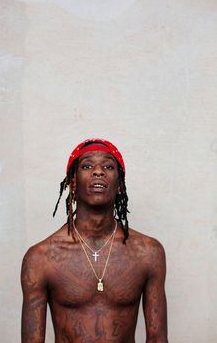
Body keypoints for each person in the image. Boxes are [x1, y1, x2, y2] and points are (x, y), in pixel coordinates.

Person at [21, 138, 168, 343]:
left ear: (119, 185)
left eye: (108, 166)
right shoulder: (41, 258)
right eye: (87, 166)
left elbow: (157, 339)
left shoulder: (148, 253)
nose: (98, 171)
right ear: (73, 183)